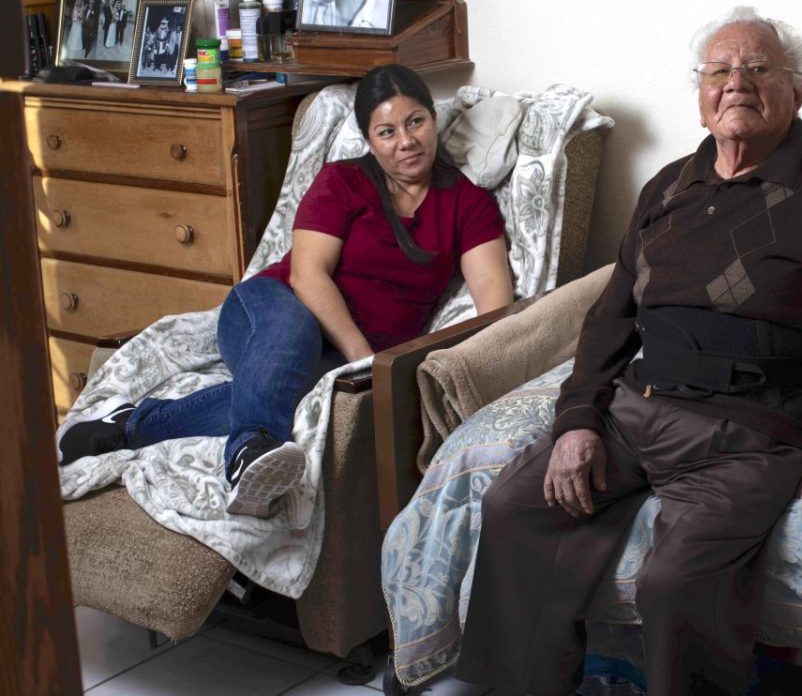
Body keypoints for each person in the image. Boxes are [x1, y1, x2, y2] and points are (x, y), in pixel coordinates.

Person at [455, 7, 802, 695]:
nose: (737, 82)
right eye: (720, 70)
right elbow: (610, 319)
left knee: (676, 581)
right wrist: (576, 422)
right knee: (516, 508)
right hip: (642, 406)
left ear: (796, 91)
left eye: (758, 68)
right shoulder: (669, 188)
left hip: (759, 431)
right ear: (700, 94)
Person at [58, 64, 514, 517]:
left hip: (340, 355)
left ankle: (131, 423)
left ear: (434, 119)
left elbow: (494, 308)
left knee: (294, 389)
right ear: (369, 141)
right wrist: (363, 359)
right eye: (386, 131)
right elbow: (306, 275)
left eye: (416, 121)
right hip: (269, 308)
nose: (406, 141)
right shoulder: (343, 182)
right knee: (292, 334)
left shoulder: (467, 204)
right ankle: (247, 455)